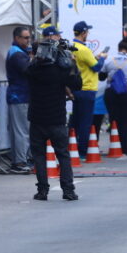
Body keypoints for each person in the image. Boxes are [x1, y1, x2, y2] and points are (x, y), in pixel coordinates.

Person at [26, 38, 83, 201]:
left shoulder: (32, 70)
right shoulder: (60, 70)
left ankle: (42, 190)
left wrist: (36, 59)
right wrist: (71, 63)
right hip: (56, 119)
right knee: (63, 155)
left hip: (37, 119)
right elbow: (77, 84)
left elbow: (28, 69)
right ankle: (68, 190)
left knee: (39, 156)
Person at [70, 21, 107, 158]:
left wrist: (95, 58)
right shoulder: (84, 49)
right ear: (84, 33)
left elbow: (84, 63)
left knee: (76, 121)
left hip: (77, 88)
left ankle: (73, 147)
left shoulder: (72, 46)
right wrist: (102, 58)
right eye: (87, 32)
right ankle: (83, 151)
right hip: (87, 88)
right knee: (85, 122)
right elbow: (96, 67)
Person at [102, 39, 127, 155]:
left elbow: (101, 76)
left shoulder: (109, 60)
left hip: (111, 92)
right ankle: (125, 149)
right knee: (126, 121)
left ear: (118, 48)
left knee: (114, 120)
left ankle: (114, 147)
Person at [6, 26, 33, 173]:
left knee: (23, 130)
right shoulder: (17, 54)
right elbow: (28, 70)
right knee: (22, 131)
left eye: (29, 37)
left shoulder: (19, 52)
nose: (28, 40)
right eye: (25, 38)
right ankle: (20, 162)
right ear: (17, 38)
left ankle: (23, 160)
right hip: (19, 96)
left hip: (22, 95)